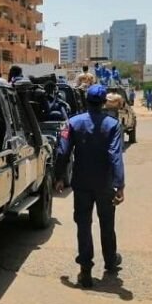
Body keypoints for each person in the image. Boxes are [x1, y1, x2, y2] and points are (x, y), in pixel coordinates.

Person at [54, 84, 125, 288]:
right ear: (103, 103)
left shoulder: (73, 122)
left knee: (83, 225)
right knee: (107, 223)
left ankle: (85, 270)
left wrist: (59, 177)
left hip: (82, 183)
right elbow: (115, 155)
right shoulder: (112, 125)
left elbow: (62, 151)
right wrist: (119, 185)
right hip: (105, 184)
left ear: (86, 101)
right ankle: (110, 261)